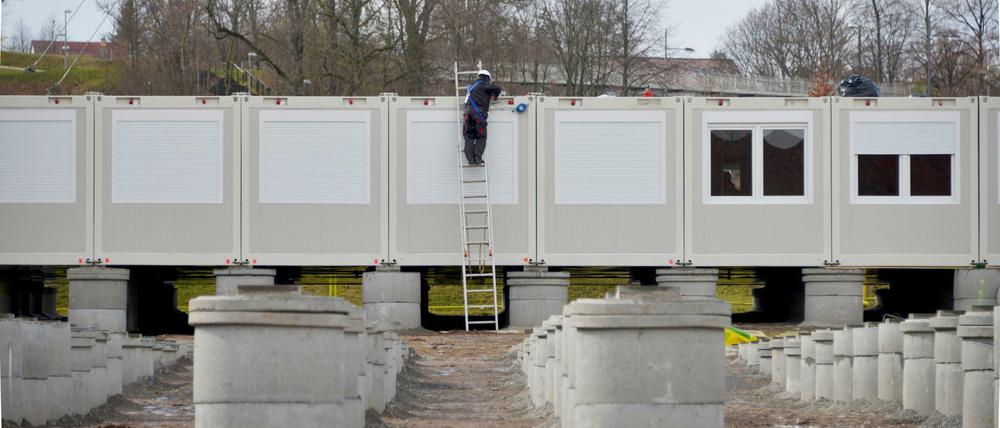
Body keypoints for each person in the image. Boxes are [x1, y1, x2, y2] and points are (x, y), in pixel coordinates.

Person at [463, 69, 502, 165]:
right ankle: (477, 158)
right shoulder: (484, 85)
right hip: (478, 116)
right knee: (481, 137)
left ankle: (470, 160)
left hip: (467, 115)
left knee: (469, 137)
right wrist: (495, 96)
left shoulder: (471, 87)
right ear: (487, 78)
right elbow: (498, 89)